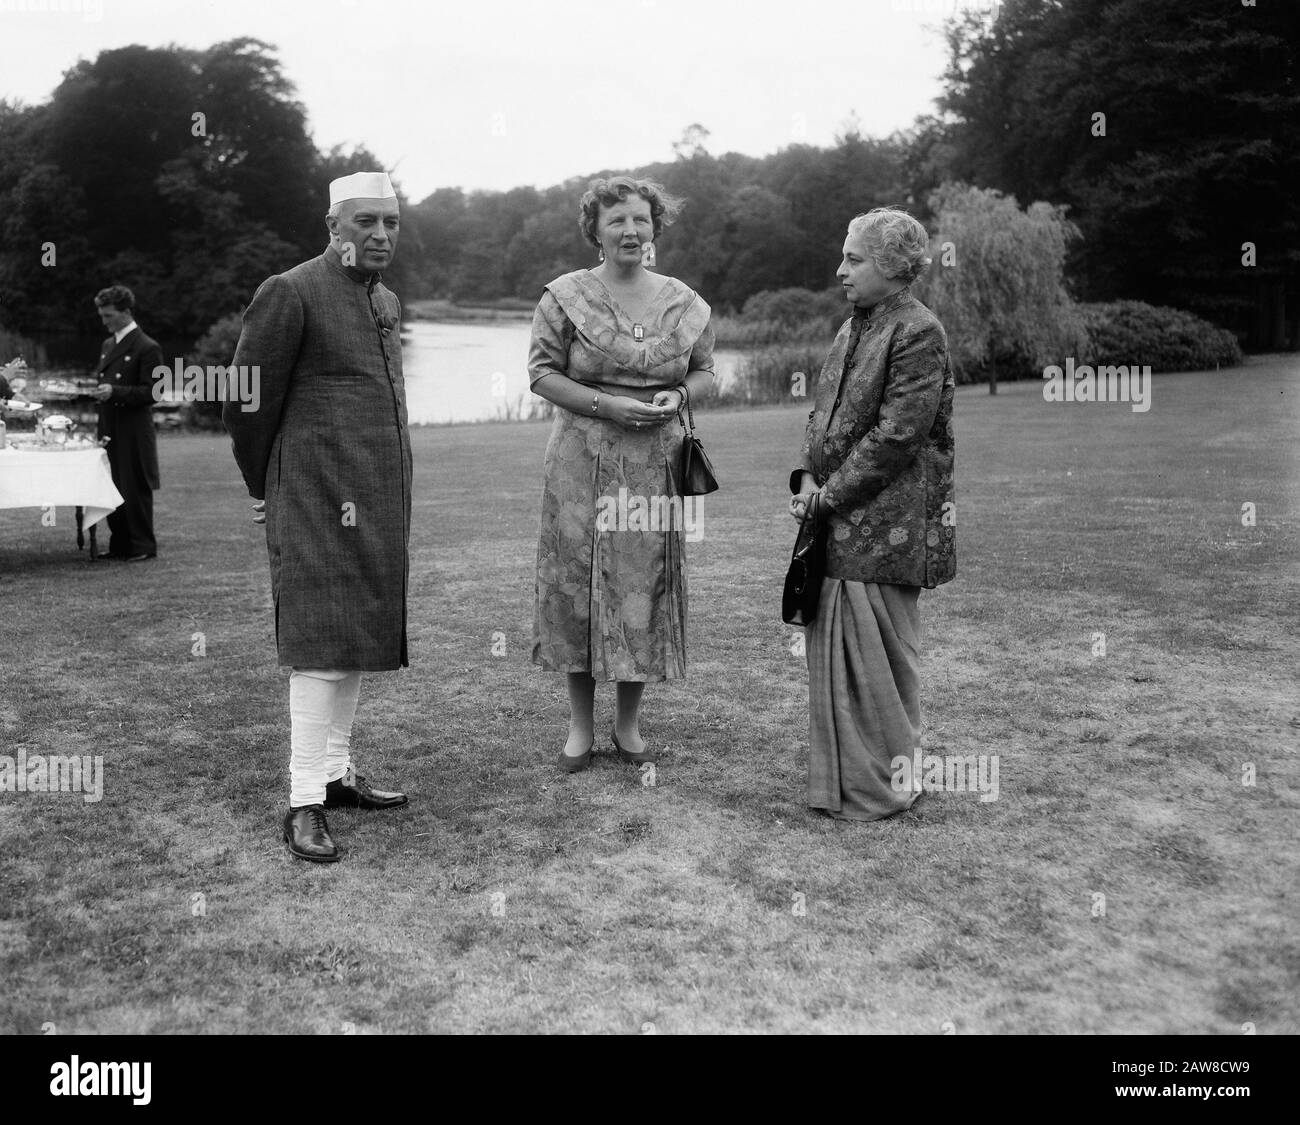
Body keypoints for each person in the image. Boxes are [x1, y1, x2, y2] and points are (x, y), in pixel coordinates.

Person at [225, 171, 411, 863]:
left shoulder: (384, 298)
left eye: (391, 222)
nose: (381, 234)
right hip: (312, 494)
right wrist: (262, 485)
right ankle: (303, 799)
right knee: (319, 640)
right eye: (366, 221)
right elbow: (245, 402)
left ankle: (337, 776)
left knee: (358, 632)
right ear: (334, 225)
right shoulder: (291, 291)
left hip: (381, 498)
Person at [529, 176, 716, 772]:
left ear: (655, 226)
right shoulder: (564, 296)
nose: (631, 230)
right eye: (617, 221)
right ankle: (579, 730)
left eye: (640, 219)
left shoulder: (685, 302)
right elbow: (541, 374)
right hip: (581, 462)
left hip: (653, 464)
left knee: (643, 588)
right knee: (581, 587)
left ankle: (629, 727)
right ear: (596, 231)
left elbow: (708, 372)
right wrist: (606, 405)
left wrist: (679, 396)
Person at [789, 207, 955, 821]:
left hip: (890, 526)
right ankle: (846, 785)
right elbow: (823, 415)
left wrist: (825, 496)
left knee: (879, 660)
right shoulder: (852, 327)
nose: (841, 271)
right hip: (837, 519)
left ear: (891, 266)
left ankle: (881, 787)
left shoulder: (918, 331)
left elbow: (898, 436)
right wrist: (808, 474)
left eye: (853, 259)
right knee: (838, 654)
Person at [91, 286, 164, 561]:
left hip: (133, 428)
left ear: (125, 312)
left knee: (134, 485)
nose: (104, 322)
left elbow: (154, 393)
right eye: (102, 315)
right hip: (110, 425)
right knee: (113, 485)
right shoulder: (108, 345)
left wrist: (115, 392)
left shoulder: (148, 346)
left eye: (108, 315)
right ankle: (120, 543)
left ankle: (142, 545)